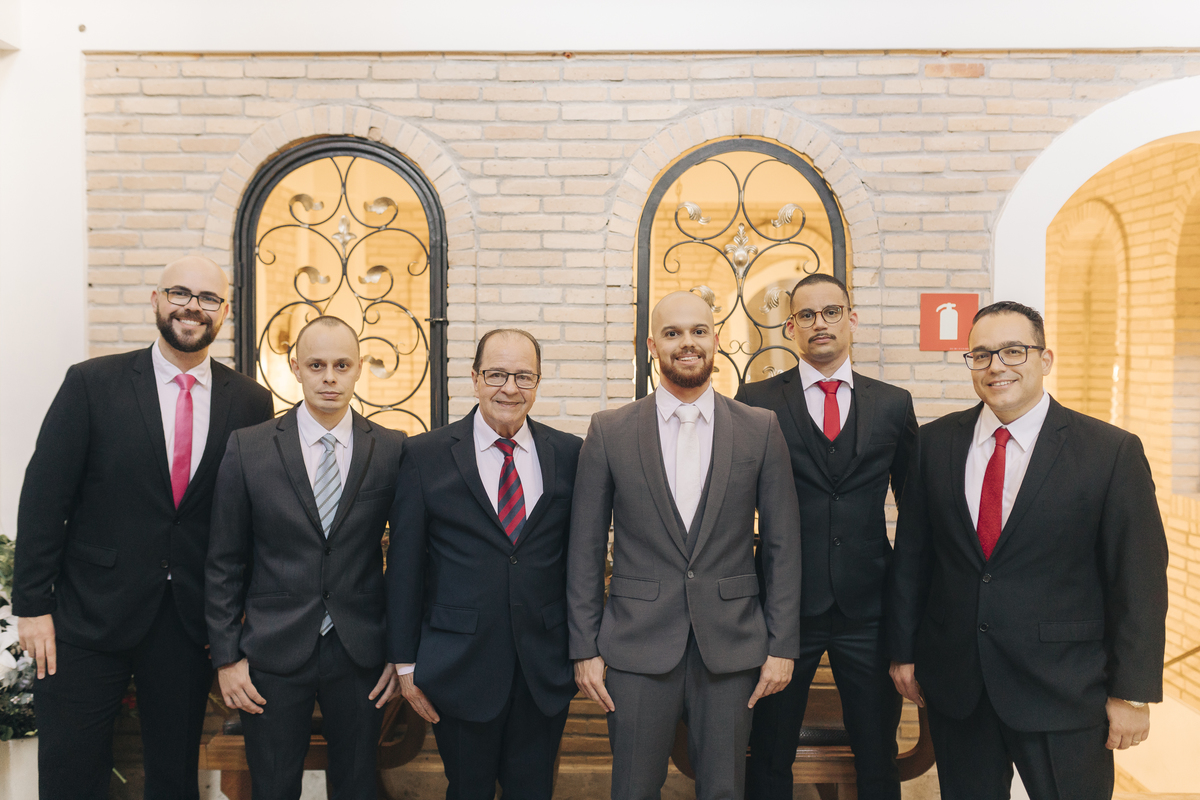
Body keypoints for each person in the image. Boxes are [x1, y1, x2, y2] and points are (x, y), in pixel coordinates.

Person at [13, 256, 274, 800]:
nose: (192, 307)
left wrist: (239, 614)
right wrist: (33, 606)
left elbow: (249, 515)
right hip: (84, 617)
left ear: (225, 311)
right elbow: (44, 497)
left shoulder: (250, 400)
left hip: (187, 624)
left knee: (174, 777)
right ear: (155, 299)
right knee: (70, 772)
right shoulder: (91, 383)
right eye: (180, 293)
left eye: (208, 298)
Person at [887, 301, 1168, 799]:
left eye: (1013, 351)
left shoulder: (1110, 452)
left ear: (1045, 359)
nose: (996, 366)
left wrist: (1132, 693)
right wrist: (903, 652)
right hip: (959, 685)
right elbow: (913, 559)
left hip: (1065, 688)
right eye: (981, 354)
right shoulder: (934, 443)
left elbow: (1138, 579)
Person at [568, 290, 802, 800]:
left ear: (716, 339)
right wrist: (584, 647)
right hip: (635, 646)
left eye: (698, 331)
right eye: (672, 333)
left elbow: (783, 545)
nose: (687, 343)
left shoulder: (760, 428)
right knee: (633, 790)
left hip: (733, 646)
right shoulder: (610, 430)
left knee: (724, 791)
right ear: (652, 345)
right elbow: (584, 547)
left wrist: (782, 645)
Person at [206, 315, 405, 800]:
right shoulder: (249, 447)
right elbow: (224, 561)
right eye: (316, 365)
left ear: (359, 368)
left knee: (358, 786)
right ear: (295, 367)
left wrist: (401, 656)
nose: (329, 377)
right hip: (271, 651)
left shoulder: (392, 449)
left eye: (342, 365)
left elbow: (407, 563)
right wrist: (228, 658)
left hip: (360, 652)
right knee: (273, 787)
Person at [737, 273, 917, 800]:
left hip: (870, 610)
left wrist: (910, 612)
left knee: (877, 756)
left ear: (851, 319)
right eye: (807, 315)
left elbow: (916, 514)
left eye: (832, 312)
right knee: (769, 752)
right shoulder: (756, 400)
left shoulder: (893, 403)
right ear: (790, 327)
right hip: (784, 611)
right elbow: (734, 507)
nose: (821, 323)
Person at [386, 328, 582, 800]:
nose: (510, 388)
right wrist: (405, 663)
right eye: (496, 374)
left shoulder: (570, 453)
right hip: (459, 666)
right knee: (467, 790)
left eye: (523, 376)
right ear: (474, 378)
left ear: (537, 382)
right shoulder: (425, 455)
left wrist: (584, 648)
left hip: (544, 668)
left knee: (534, 791)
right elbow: (406, 567)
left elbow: (579, 561)